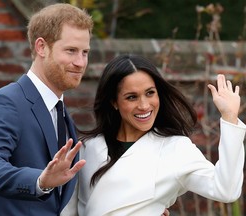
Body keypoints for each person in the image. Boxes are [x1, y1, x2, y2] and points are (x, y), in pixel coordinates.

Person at [62, 54, 246, 215]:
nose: (144, 105)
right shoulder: (87, 147)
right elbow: (68, 210)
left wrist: (229, 118)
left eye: (150, 93)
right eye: (131, 97)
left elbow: (226, 190)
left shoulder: (175, 148)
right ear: (114, 102)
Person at [0, 3, 93, 216]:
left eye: (85, 52)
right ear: (41, 47)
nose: (80, 62)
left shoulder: (62, 114)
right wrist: (40, 181)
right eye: (71, 51)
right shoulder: (5, 102)